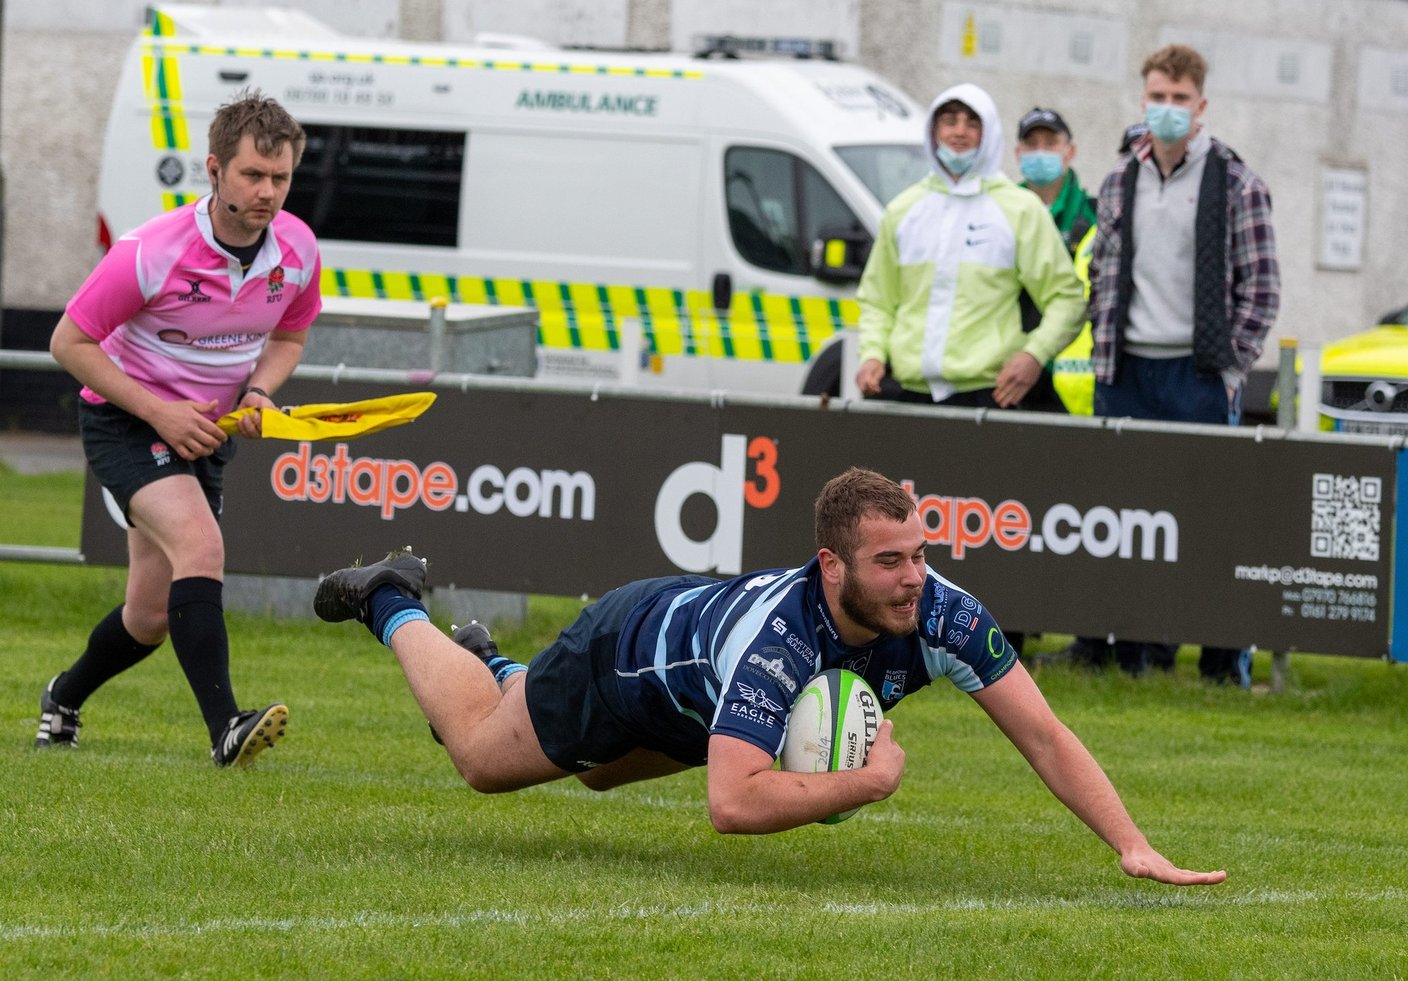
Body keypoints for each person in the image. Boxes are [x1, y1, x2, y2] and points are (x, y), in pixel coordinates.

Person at [313, 468, 1226, 887]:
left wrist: (1130, 843)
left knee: (594, 774)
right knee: (480, 756)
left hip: (694, 698)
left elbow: (1044, 734)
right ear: (831, 566)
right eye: (888, 562)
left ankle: (500, 665)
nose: (913, 577)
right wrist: (865, 783)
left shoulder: (941, 611)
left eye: (920, 554)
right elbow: (732, 804)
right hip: (628, 652)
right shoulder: (777, 643)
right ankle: (394, 600)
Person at [35, 91, 322, 765]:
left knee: (149, 614)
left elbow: (291, 335)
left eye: (280, 178)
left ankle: (63, 696)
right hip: (127, 420)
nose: (268, 192)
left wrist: (257, 391)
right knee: (202, 544)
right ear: (214, 169)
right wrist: (159, 410)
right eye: (253, 175)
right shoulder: (151, 249)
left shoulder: (298, 248)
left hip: (210, 430)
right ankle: (226, 728)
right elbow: (68, 341)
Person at [1086, 44, 1280, 683]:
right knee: (1122, 521)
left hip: (1196, 376)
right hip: (1127, 373)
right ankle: (1134, 656)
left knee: (1207, 526)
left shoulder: (1238, 182)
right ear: (1143, 102)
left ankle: (1222, 663)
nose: (1166, 110)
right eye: (1157, 98)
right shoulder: (1120, 179)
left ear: (1201, 107)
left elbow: (1262, 288)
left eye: (1179, 100)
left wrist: (1229, 367)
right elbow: (1102, 273)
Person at [854, 84, 1085, 415]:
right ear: (933, 130)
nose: (959, 132)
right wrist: (872, 355)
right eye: (949, 121)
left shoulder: (1020, 209)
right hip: (906, 396)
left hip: (989, 398)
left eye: (972, 123)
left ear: (989, 132)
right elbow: (878, 300)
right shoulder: (903, 210)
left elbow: (1067, 298)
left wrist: (1034, 355)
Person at [1014, 107, 1095, 256]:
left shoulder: (1093, 212)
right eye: (1031, 144)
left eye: (1050, 143)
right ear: (1018, 153)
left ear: (1070, 151)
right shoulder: (1005, 209)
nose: (1040, 152)